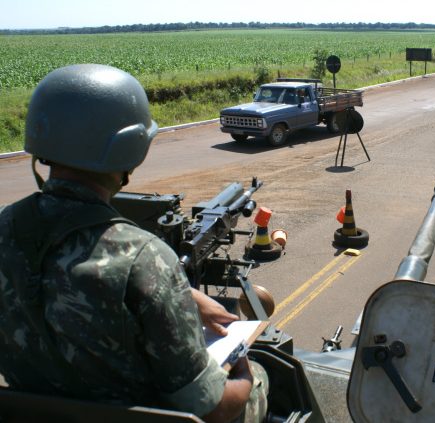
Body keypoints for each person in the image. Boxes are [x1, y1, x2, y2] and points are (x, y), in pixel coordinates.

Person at [0, 64, 267, 423]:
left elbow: (59, 278)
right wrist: (245, 367)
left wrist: (179, 295)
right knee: (269, 376)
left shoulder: (6, 227)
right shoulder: (144, 257)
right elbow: (213, 408)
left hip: (28, 411)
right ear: (131, 149)